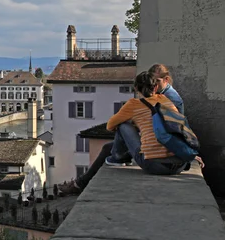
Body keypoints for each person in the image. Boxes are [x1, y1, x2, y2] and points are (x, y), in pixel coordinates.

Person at [60, 71, 204, 195]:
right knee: (107, 148)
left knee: (123, 125)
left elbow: (111, 125)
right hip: (179, 165)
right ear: (155, 87)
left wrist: (134, 122)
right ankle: (81, 182)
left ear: (136, 88)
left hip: (155, 165)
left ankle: (116, 159)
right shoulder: (165, 100)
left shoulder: (133, 104)